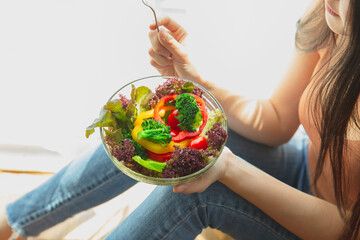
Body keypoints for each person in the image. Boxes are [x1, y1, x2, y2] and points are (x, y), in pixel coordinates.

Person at [1, 0, 359, 239]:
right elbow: (277, 120)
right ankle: (16, 221)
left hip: (330, 225)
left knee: (197, 192)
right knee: (146, 131)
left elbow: (346, 228)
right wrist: (196, 80)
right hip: (303, 166)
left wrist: (229, 169)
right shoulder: (331, 15)